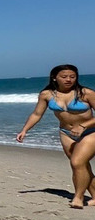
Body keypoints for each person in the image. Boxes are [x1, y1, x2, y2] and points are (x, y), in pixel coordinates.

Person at [16, 64, 95, 209]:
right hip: (66, 133)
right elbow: (36, 114)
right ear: (55, 77)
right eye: (64, 77)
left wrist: (83, 126)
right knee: (81, 166)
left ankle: (78, 198)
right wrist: (24, 130)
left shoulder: (86, 93)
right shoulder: (47, 95)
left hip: (90, 132)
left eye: (72, 76)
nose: (68, 80)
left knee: (77, 162)